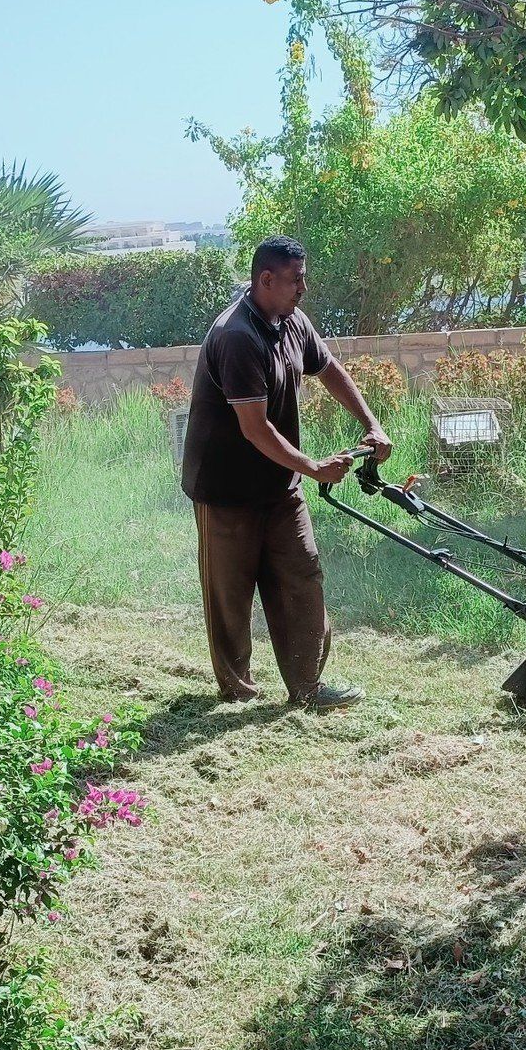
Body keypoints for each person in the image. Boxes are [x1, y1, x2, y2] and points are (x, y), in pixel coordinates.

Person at [179, 235, 393, 708]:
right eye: (296, 280)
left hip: (279, 484)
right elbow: (256, 430)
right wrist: (314, 468)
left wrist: (371, 424)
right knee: (230, 597)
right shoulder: (236, 336)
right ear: (266, 280)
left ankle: (307, 686)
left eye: (305, 279)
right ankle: (237, 691)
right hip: (225, 490)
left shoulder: (292, 321)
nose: (303, 289)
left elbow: (329, 367)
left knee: (302, 575)